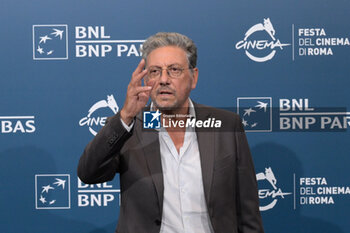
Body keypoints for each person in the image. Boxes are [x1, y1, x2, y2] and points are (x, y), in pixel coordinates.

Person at [78, 32, 264, 233]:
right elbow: (89, 173)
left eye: (174, 70)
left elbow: (247, 211)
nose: (163, 79)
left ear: (194, 77)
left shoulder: (226, 125)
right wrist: (125, 116)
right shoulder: (129, 126)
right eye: (155, 71)